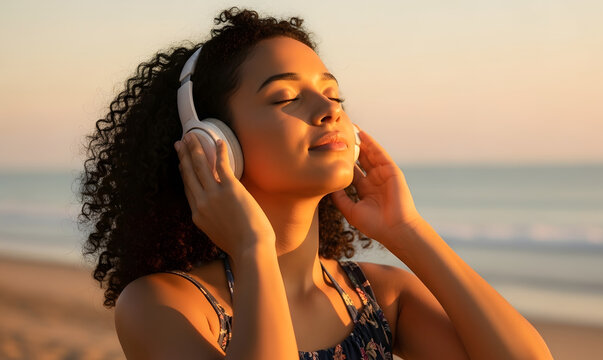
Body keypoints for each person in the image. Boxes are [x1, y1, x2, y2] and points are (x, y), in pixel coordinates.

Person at [78, 7, 552, 360]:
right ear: (212, 141)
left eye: (332, 93)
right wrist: (251, 249)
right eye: (285, 96)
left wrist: (407, 229)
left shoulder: (377, 297)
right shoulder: (165, 305)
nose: (330, 110)